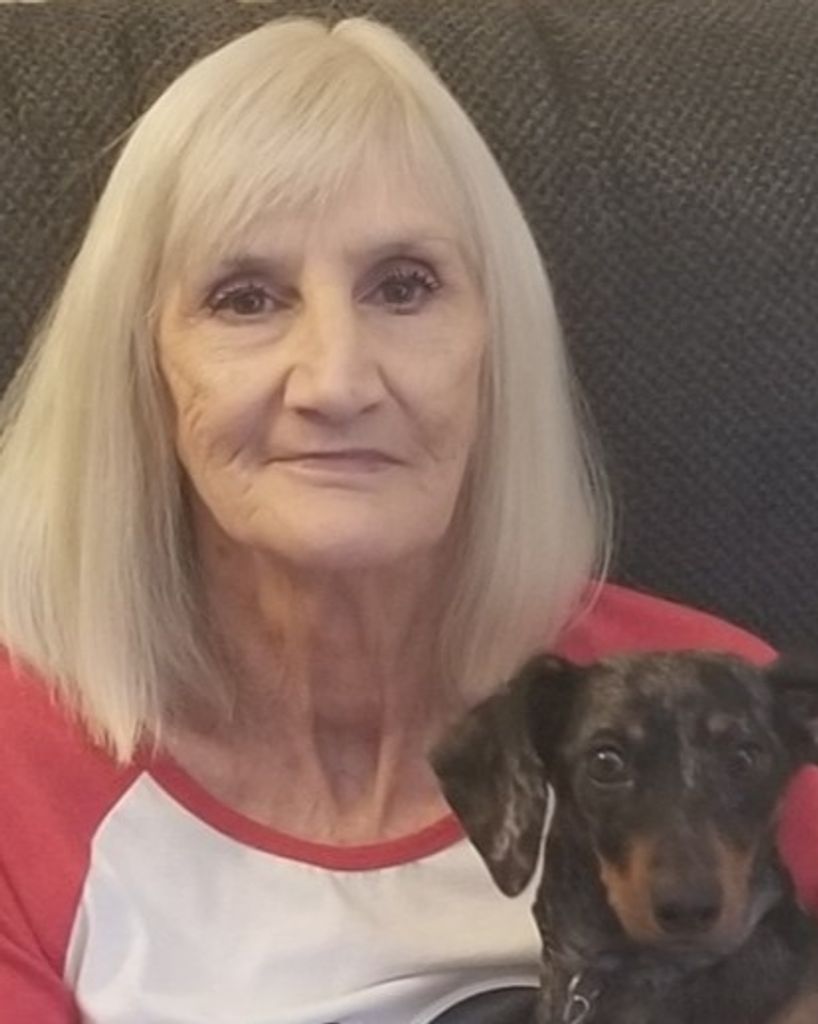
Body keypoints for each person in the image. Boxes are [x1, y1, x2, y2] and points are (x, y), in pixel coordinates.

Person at [0, 15, 813, 1024]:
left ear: (493, 350)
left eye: (404, 287)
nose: (336, 381)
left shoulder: (720, 707)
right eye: (245, 298)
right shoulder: (19, 769)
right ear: (142, 373)